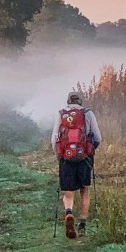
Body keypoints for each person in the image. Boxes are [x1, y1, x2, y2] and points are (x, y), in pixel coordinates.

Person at [51, 90, 102, 238]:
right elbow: (98, 137)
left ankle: (68, 213)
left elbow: (54, 139)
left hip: (66, 158)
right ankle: (82, 225)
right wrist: (91, 151)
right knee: (84, 190)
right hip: (84, 157)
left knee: (68, 191)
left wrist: (59, 156)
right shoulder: (88, 114)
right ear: (81, 100)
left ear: (68, 101)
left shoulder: (61, 114)